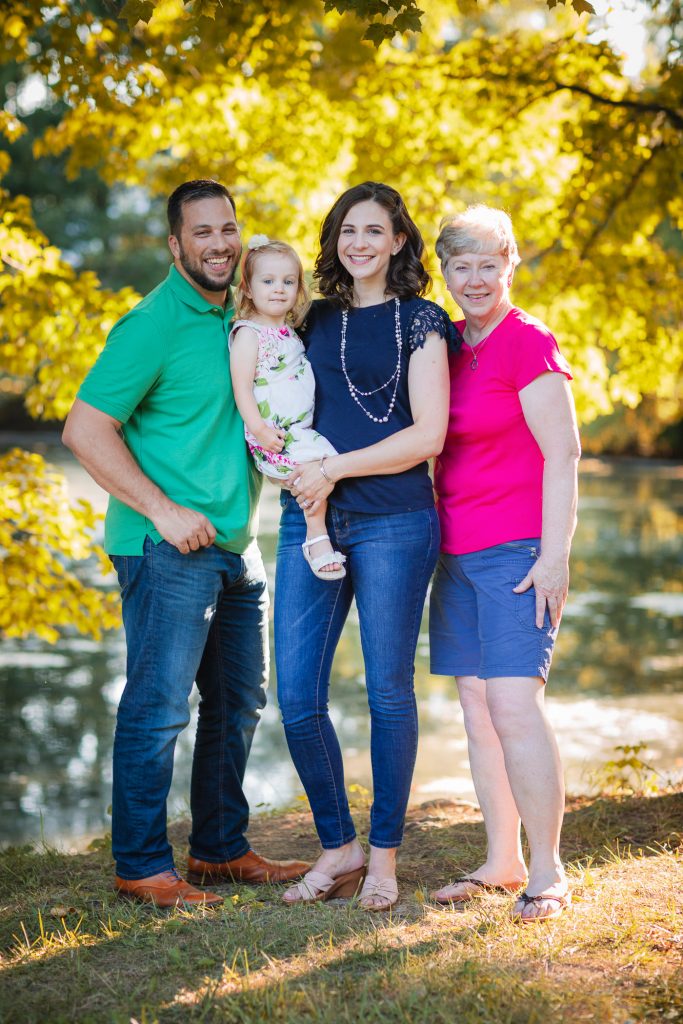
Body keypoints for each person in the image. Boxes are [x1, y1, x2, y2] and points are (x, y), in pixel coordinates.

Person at [62, 179, 309, 908]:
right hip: (164, 545)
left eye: (228, 228)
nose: (219, 243)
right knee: (158, 705)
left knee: (237, 703)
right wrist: (162, 510)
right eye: (201, 232)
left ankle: (219, 849)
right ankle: (141, 865)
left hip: (237, 545)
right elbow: (85, 429)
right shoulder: (151, 324)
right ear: (175, 245)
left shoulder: (242, 315)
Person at [274, 181, 459, 911]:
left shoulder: (423, 321)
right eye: (348, 230)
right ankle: (337, 845)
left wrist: (334, 468)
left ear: (399, 242)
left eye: (374, 231)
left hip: (394, 521)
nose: (359, 243)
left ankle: (381, 858)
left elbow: (427, 435)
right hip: (311, 522)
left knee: (387, 693)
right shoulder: (312, 318)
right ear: (335, 238)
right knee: (295, 696)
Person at [428, 204, 581, 923]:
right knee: (477, 707)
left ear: (510, 263)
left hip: (518, 552)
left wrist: (555, 558)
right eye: (460, 265)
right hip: (453, 554)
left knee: (515, 704)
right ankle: (500, 859)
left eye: (489, 263)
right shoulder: (447, 343)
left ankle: (548, 870)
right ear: (444, 273)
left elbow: (564, 455)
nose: (475, 278)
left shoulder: (528, 342)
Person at [229, 236, 345, 580]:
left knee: (323, 465)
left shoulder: (288, 330)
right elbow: (241, 388)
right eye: (268, 281)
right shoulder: (249, 333)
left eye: (288, 282)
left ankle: (319, 532)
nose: (279, 289)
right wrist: (260, 430)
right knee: (315, 469)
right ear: (248, 288)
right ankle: (315, 536)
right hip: (275, 435)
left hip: (298, 429)